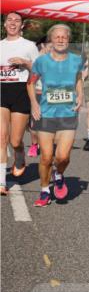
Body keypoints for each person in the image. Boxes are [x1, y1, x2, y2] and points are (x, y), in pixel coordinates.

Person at [27, 24, 84, 206]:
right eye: (57, 37)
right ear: (51, 39)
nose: (60, 39)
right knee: (46, 157)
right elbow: (30, 83)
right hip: (46, 114)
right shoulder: (41, 61)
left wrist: (81, 95)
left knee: (62, 157)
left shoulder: (76, 60)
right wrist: (34, 104)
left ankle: (58, 174)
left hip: (68, 113)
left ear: (68, 39)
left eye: (64, 37)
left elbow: (78, 79)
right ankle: (44, 191)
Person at [0, 12, 39, 196]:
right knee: (1, 138)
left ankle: (20, 154)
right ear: (5, 24)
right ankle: (1, 181)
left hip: (20, 92)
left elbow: (40, 70)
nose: (13, 23)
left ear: (22, 25)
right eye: (10, 20)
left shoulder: (29, 46)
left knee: (15, 140)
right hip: (1, 90)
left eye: (17, 21)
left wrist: (25, 62)